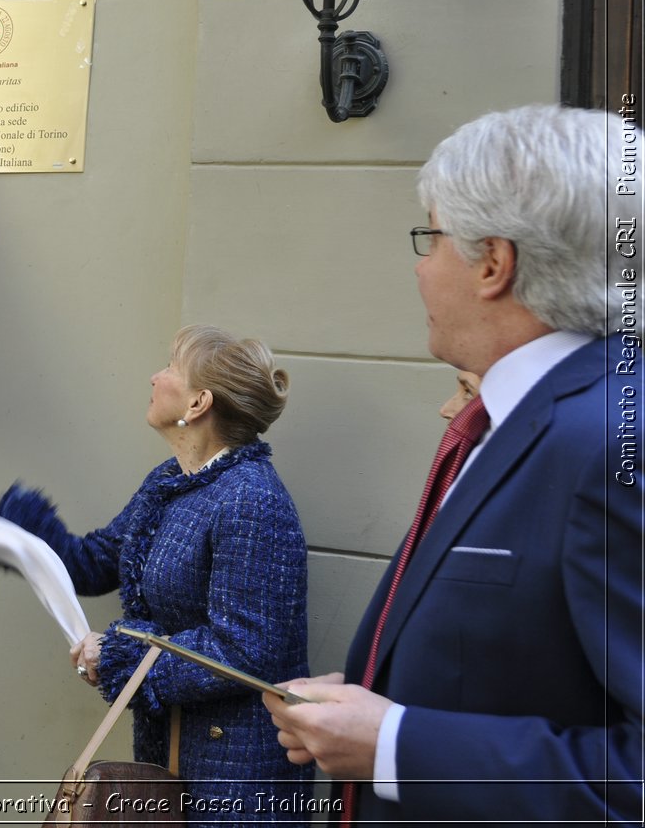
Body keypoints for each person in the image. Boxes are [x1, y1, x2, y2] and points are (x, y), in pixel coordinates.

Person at [267, 105, 643, 823]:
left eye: (431, 237)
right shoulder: (520, 422)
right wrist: (365, 710)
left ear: (493, 263)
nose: (419, 267)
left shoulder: (608, 442)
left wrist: (395, 745)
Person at [0, 324, 312, 825]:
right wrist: (19, 534)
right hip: (166, 758)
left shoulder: (253, 500)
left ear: (197, 404)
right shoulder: (168, 481)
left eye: (170, 366)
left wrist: (124, 653)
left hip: (235, 778)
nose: (154, 376)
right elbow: (96, 561)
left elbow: (244, 651)